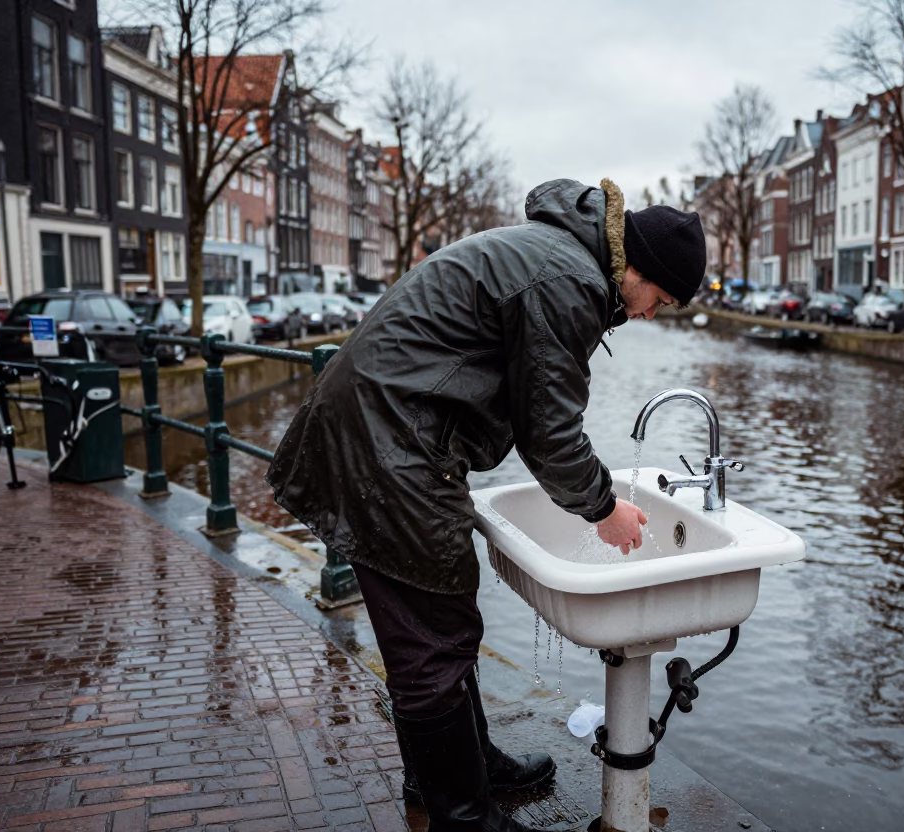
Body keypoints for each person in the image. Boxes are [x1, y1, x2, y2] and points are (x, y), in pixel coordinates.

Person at [266, 178, 706, 831]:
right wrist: (602, 507)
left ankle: (459, 770)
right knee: (432, 641)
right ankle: (465, 817)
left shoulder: (559, 256)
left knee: (439, 626)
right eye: (659, 299)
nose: (648, 315)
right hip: (392, 445)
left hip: (385, 431)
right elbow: (549, 431)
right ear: (639, 268)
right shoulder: (570, 281)